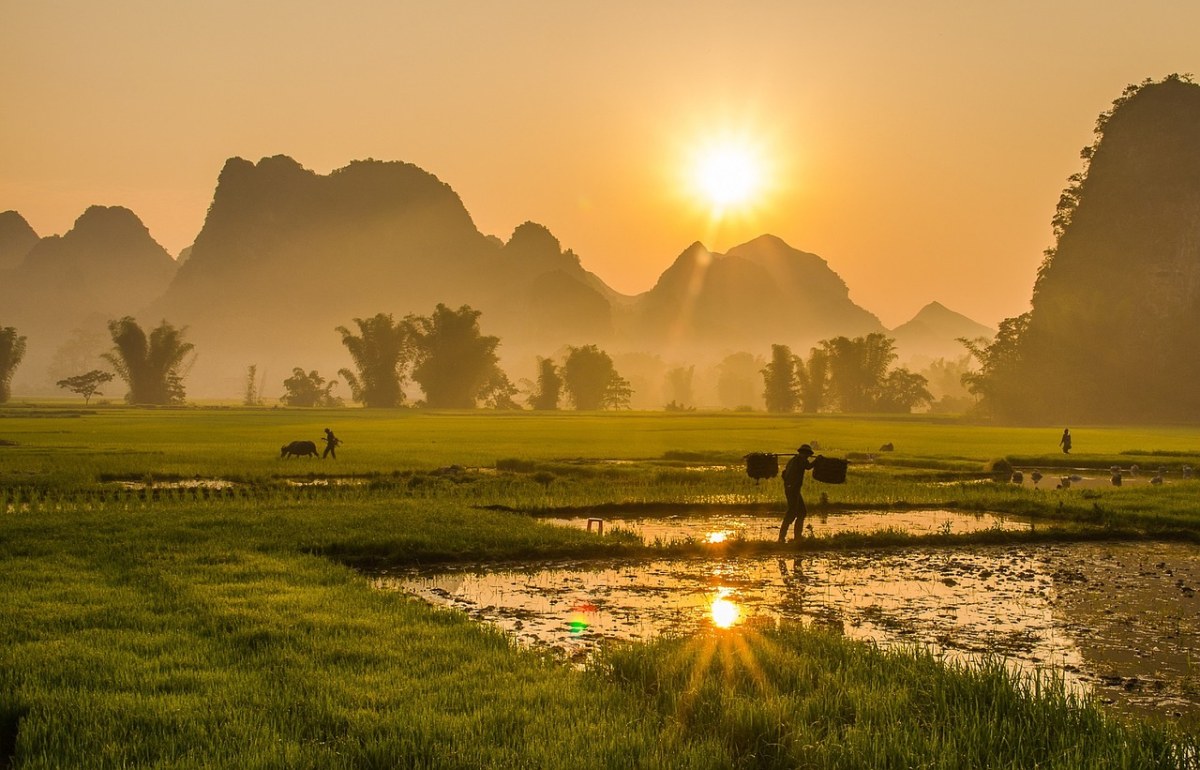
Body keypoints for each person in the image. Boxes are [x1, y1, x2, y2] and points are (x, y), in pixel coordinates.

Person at [778, 444, 818, 543]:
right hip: (793, 489)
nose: (808, 456)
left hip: (791, 489)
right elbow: (808, 467)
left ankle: (796, 537)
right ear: (803, 453)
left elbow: (784, 474)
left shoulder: (793, 460)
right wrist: (818, 460)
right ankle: (782, 537)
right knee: (791, 513)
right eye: (807, 454)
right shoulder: (800, 460)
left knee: (801, 512)